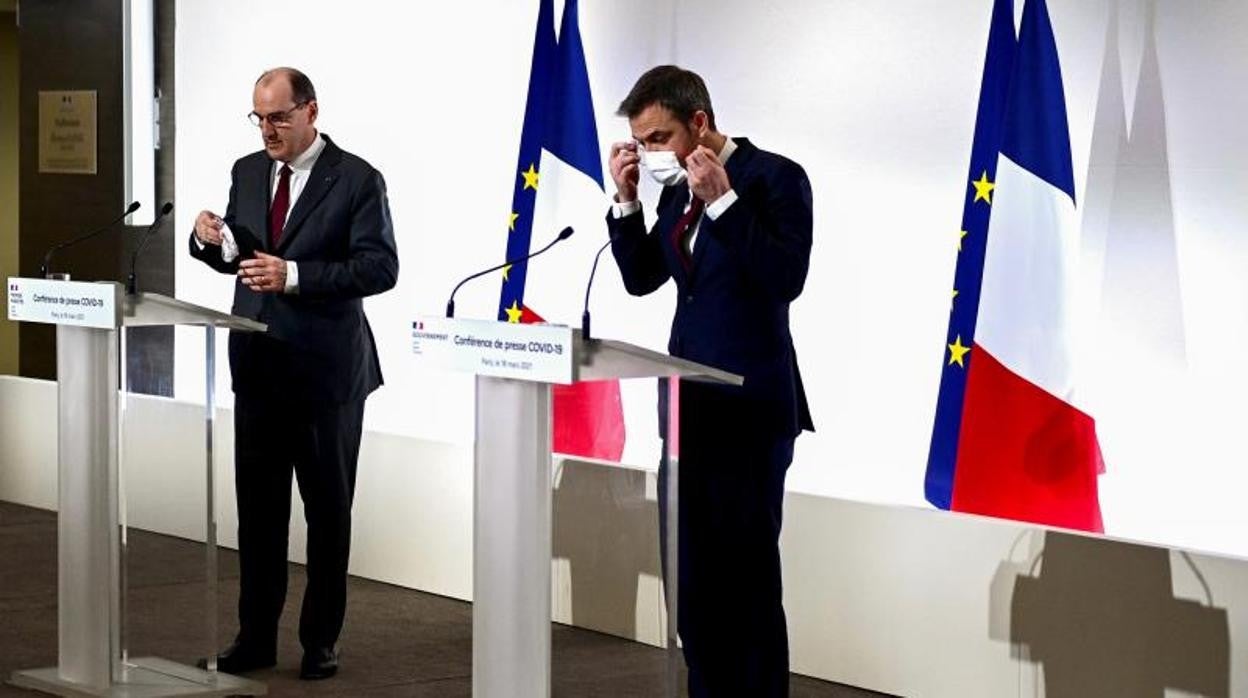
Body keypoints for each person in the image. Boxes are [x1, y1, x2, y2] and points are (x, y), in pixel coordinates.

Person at [606, 65, 813, 697]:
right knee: (692, 583)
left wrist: (724, 201)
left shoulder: (775, 178)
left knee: (746, 585)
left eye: (660, 137)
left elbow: (784, 278)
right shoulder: (673, 190)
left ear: (699, 122)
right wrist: (627, 201)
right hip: (686, 414)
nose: (653, 153)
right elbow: (644, 279)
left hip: (750, 413)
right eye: (641, 141)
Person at [189, 67, 398, 680]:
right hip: (257, 365)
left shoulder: (357, 179)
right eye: (258, 118)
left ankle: (320, 641)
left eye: (279, 117)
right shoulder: (247, 171)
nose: (267, 131)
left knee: (327, 513)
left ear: (310, 111)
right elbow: (243, 257)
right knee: (257, 515)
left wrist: (297, 276)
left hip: (325, 374)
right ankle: (254, 638)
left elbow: (379, 268)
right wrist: (213, 241)